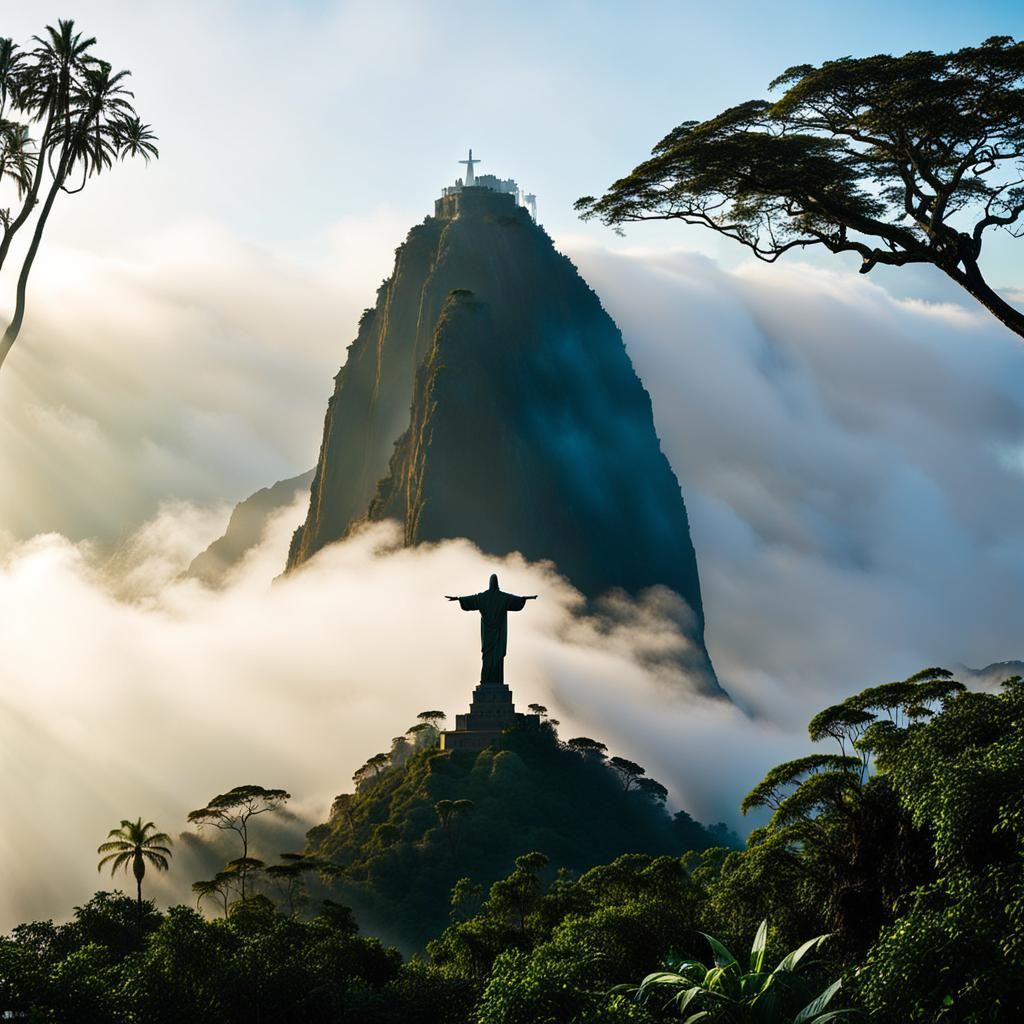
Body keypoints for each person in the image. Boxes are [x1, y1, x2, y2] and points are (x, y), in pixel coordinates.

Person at [446, 574, 537, 684]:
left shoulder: (482, 597)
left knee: (487, 656)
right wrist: (525, 598)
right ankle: (496, 681)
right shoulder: (504, 597)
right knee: (498, 656)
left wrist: (458, 599)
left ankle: (486, 681)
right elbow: (517, 600)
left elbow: (470, 599)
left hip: (487, 634)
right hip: (499, 633)